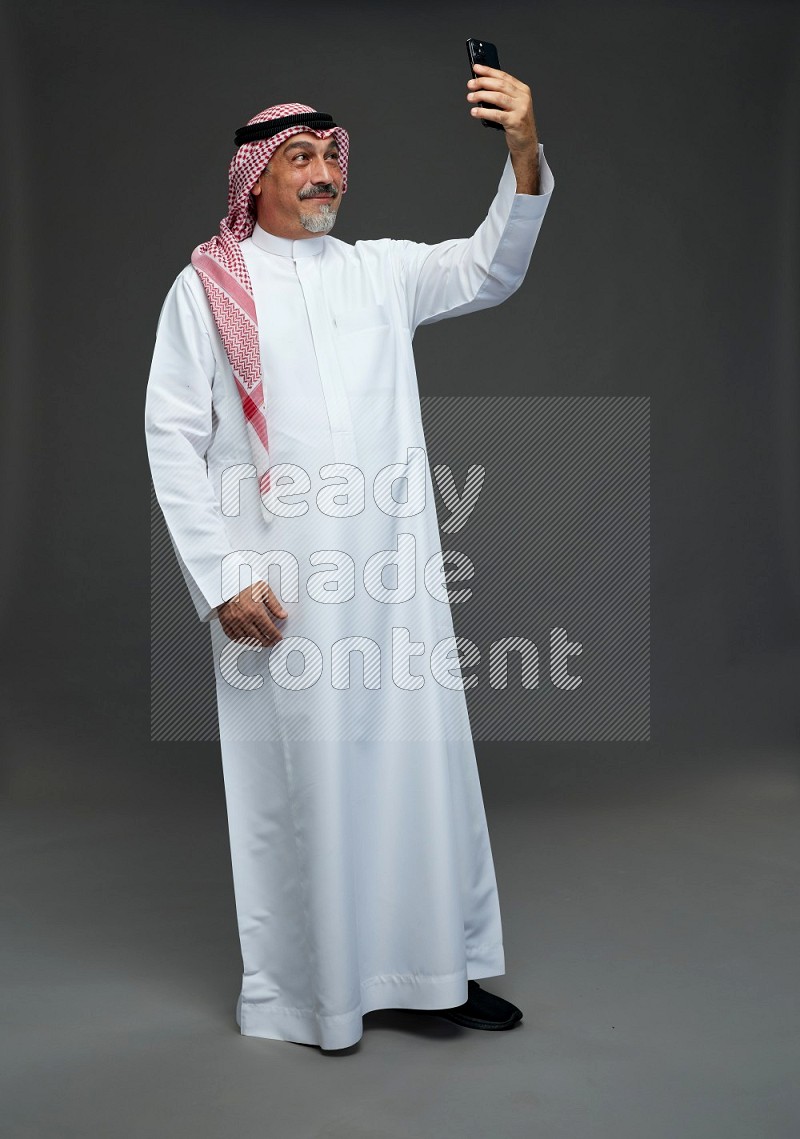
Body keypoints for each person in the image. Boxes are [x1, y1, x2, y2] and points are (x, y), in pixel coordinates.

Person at [144, 61, 555, 1051]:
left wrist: (523, 145)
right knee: (310, 792)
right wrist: (220, 578)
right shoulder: (207, 289)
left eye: (332, 155)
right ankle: (314, 995)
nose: (323, 172)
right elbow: (170, 433)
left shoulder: (380, 271)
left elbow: (490, 266)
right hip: (277, 592)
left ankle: (432, 975)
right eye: (299, 158)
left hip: (393, 584)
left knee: (416, 777)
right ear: (254, 179)